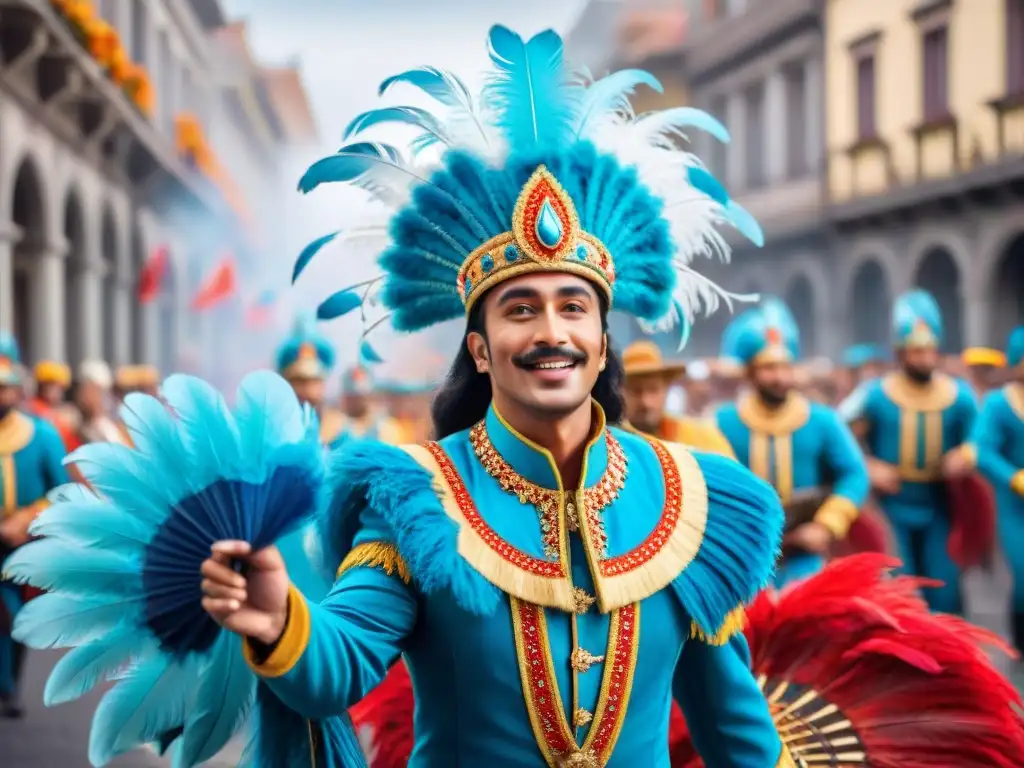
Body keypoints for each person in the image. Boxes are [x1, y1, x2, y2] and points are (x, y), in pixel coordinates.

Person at [209, 25, 791, 767]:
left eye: (573, 307)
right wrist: (277, 618)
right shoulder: (416, 497)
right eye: (520, 310)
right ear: (479, 350)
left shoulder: (688, 500)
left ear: (603, 342)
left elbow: (736, 729)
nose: (552, 332)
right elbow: (342, 663)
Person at [843, 289, 979, 613]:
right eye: (915, 351)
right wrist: (868, 465)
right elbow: (839, 438)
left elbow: (980, 438)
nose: (923, 358)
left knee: (945, 588)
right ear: (900, 353)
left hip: (939, 501)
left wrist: (967, 455)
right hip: (893, 504)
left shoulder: (959, 396)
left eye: (929, 350)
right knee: (897, 589)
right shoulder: (874, 395)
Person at [716, 299, 869, 587]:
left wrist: (827, 525)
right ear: (750, 372)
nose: (779, 377)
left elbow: (854, 474)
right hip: (745, 558)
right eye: (768, 368)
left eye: (785, 366)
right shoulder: (723, 423)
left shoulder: (822, 421)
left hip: (805, 555)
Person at [0, 333, 69, 718]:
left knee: (11, 614)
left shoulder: (41, 435)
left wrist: (26, 519)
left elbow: (62, 491)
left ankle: (7, 684)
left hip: (16, 544)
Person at [971, 326, 1024, 651]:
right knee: (1023, 573)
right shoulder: (998, 404)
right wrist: (1013, 477)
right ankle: (1020, 642)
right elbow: (982, 450)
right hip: (1014, 504)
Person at [620, 340, 734, 457]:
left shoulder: (703, 438)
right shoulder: (610, 445)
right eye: (635, 391)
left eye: (653, 390)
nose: (646, 402)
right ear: (619, 392)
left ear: (666, 389)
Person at [275, 313, 346, 446]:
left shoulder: (338, 432)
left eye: (314, 381)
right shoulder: (272, 429)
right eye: (299, 381)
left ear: (323, 384)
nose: (307, 391)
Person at [334, 368, 406, 445]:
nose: (352, 402)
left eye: (357, 398)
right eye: (349, 398)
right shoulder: (337, 429)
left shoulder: (386, 429)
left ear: (369, 396)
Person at [24, 360, 78, 450]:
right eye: (50, 385)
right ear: (41, 386)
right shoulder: (32, 408)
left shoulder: (66, 410)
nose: (55, 391)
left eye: (58, 387)